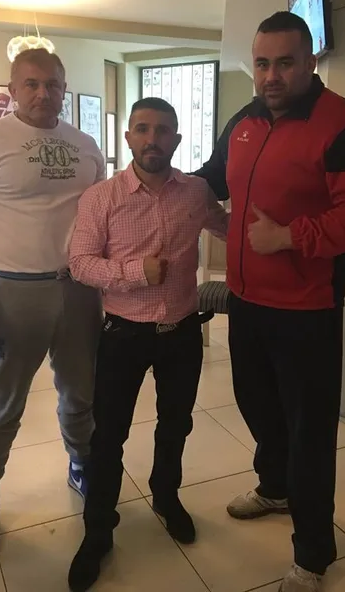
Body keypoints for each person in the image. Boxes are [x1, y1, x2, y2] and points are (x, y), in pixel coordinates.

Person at [195, 11, 345, 592]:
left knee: (309, 430)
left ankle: (313, 552)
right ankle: (275, 487)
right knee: (257, 405)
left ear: (310, 62)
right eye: (262, 63)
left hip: (308, 309)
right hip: (246, 299)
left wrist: (288, 236)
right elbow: (213, 178)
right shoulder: (245, 120)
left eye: (285, 63)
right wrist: (156, 188)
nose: (271, 75)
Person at [0, 48, 104, 562]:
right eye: (31, 84)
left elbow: (105, 218)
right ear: (12, 90)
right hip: (14, 291)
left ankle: (81, 464)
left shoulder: (86, 146)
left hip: (80, 288)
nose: (42, 93)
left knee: (81, 390)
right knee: (2, 403)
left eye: (52, 84)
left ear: (64, 89)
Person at [67, 97, 229, 592]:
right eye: (142, 129)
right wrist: (137, 272)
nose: (152, 138)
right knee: (107, 436)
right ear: (128, 138)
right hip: (123, 334)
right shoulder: (102, 197)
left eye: (162, 130)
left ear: (176, 139)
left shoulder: (196, 191)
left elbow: (227, 228)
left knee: (176, 423)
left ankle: (166, 495)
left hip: (182, 332)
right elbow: (80, 263)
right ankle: (98, 531)